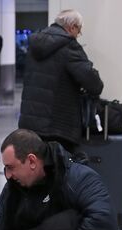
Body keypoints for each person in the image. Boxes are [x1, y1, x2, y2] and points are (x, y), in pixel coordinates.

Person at [18, 9, 103, 153]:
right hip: (58, 126)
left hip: (30, 124)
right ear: (72, 27)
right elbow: (94, 85)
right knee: (62, 170)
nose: (78, 35)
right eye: (79, 30)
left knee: (36, 169)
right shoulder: (69, 46)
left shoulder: (34, 44)